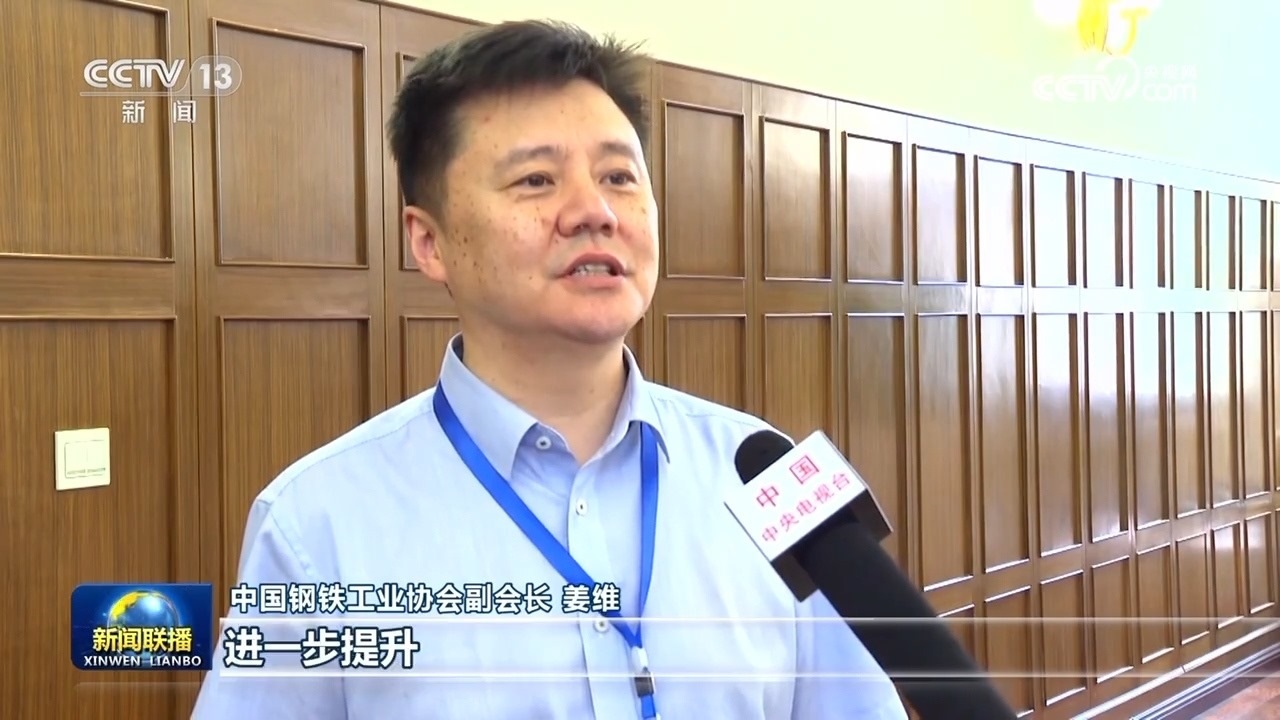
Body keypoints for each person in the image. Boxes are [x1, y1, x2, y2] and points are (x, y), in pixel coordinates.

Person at [191, 19, 907, 720]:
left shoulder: (773, 479)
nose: (594, 211)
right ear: (430, 242)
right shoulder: (316, 524)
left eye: (619, 177)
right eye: (536, 180)